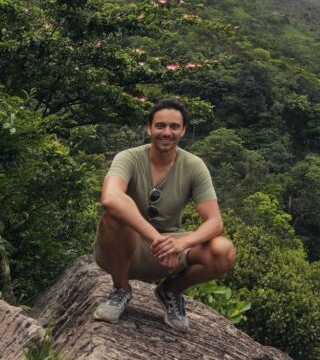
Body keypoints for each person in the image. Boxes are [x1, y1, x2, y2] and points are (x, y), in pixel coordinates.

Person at [93, 97, 236, 332]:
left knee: (224, 251)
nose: (166, 132)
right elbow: (110, 197)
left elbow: (214, 221)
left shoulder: (193, 166)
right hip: (125, 248)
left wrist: (182, 244)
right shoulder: (128, 158)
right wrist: (154, 238)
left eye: (174, 127)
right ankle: (121, 289)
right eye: (160, 126)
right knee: (114, 216)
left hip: (169, 249)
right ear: (149, 128)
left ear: (183, 131)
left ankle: (170, 291)